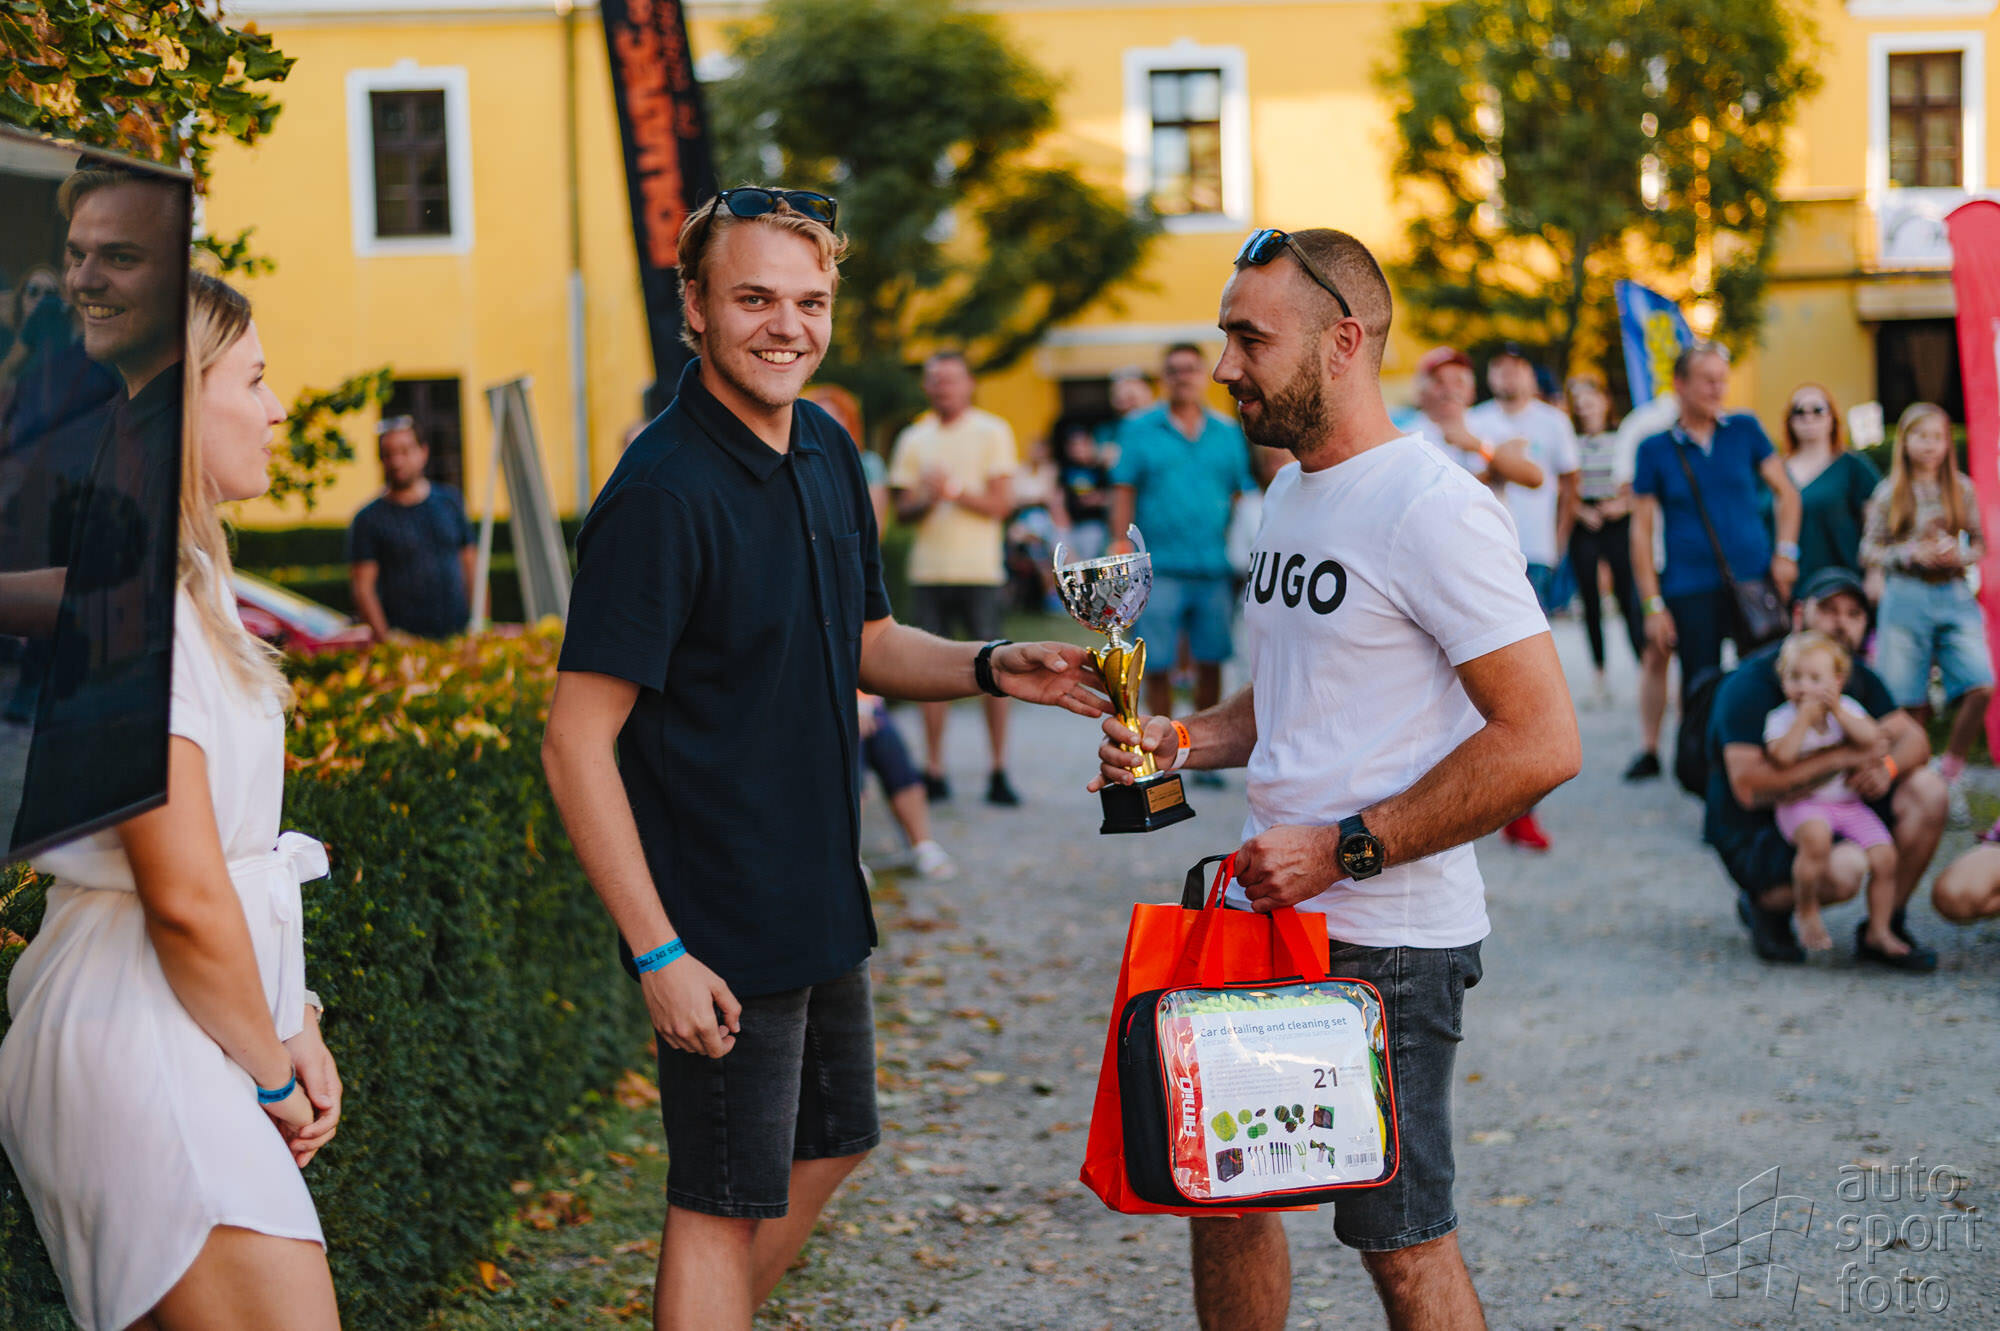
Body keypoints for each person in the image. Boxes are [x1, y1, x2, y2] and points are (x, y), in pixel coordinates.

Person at [539, 187, 1103, 1331]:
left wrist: (992, 664)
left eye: (808, 300)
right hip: (715, 908)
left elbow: (866, 641)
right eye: (753, 298)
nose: (785, 325)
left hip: (815, 882)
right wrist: (657, 949)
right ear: (693, 306)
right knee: (718, 1202)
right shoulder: (658, 493)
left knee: (834, 1142)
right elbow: (573, 739)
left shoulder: (827, 447)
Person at [1095, 226, 1580, 1331]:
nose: (1226, 365)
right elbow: (1293, 696)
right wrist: (1180, 740)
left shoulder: (1433, 505)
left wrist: (1340, 847)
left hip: (1387, 941)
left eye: (1249, 339)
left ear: (1343, 342)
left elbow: (1541, 739)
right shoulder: (1292, 493)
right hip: (1266, 918)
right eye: (1225, 337)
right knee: (1219, 1194)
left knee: (1400, 1244)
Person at [0, 273, 343, 1331]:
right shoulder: (137, 596)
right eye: (254, 378)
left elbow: (224, 870)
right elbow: (183, 891)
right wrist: (273, 1074)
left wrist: (292, 1016)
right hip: (142, 1033)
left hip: (177, 1024)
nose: (277, 407)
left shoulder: (169, 579)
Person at [1705, 567, 1945, 970]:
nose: (1841, 623)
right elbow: (1749, 788)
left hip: (1841, 806)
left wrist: (1885, 768)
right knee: (1844, 870)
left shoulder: (1856, 679)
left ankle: (1884, 927)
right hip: (1760, 829)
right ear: (1800, 615)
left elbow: (1915, 740)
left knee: (1929, 791)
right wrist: (1842, 757)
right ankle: (1767, 904)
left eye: (1854, 614)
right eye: (1829, 610)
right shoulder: (1750, 684)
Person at [1631, 342, 1802, 712]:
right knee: (1699, 688)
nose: (1718, 389)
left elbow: (1788, 493)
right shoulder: (1654, 448)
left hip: (1755, 578)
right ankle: (1700, 751)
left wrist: (1787, 552)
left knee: (1767, 680)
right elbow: (1641, 533)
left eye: (1722, 380)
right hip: (1689, 586)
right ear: (1679, 383)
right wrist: (1652, 605)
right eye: (1707, 380)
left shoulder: (1745, 428)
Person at [1108, 342, 1257, 768]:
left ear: (1203, 375)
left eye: (1191, 369)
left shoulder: (1227, 432)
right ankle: (1158, 743)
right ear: (1164, 378)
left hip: (1213, 565)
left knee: (1211, 659)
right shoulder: (1139, 428)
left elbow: (1239, 495)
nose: (1182, 377)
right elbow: (1123, 489)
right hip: (1158, 567)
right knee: (1157, 661)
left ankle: (1198, 747)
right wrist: (1119, 543)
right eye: (1174, 370)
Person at [887, 350, 1023, 806]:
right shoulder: (913, 437)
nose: (943, 387)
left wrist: (954, 491)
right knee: (929, 675)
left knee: (997, 672)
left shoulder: (992, 431)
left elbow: (1002, 505)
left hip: (980, 573)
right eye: (935, 379)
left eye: (951, 379)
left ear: (969, 384)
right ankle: (934, 768)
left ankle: (999, 769)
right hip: (928, 572)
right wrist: (927, 498)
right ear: (926, 386)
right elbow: (902, 511)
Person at [1860, 401, 1993, 786]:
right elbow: (1869, 549)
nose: (1930, 444)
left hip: (1952, 592)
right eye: (1921, 436)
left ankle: (1950, 769)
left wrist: (1958, 555)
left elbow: (1980, 543)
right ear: (1905, 441)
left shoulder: (1960, 488)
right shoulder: (1890, 492)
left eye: (1937, 437)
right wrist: (1908, 553)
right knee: (1908, 699)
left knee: (1981, 683)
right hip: (1906, 594)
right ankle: (1914, 781)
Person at [1761, 629, 1896, 953]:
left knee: (1885, 856)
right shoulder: (1781, 718)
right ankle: (1806, 908)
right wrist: (1803, 720)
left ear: (1837, 681)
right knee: (1816, 838)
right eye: (1795, 677)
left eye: (1815, 679)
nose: (1804, 687)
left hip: (1847, 804)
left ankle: (1879, 929)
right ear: (1782, 680)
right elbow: (1782, 757)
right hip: (1802, 805)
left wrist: (1837, 711)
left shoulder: (1847, 709)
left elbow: (1872, 737)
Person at [1465, 342, 1580, 613]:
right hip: (1486, 548)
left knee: (1536, 625)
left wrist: (1559, 539)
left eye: (1516, 367)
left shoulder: (1554, 421)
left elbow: (1571, 483)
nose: (1508, 374)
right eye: (1499, 368)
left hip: (1537, 547)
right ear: (1489, 376)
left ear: (1530, 374)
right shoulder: (1473, 421)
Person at [346, 417, 477, 641]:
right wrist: (387, 640)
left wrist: (480, 624)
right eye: (388, 454)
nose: (396, 461)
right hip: (404, 642)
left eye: (404, 451)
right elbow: (363, 588)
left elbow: (472, 567)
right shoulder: (368, 519)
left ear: (423, 452)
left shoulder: (450, 502)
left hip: (459, 638)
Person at [1564, 373, 1645, 708]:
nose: (1585, 406)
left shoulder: (1622, 438)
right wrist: (1582, 512)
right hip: (1585, 521)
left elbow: (1637, 486)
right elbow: (1563, 487)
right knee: (1590, 600)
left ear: (1604, 401)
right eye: (1579, 401)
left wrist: (1620, 507)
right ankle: (1600, 675)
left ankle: (1646, 672)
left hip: (1617, 519)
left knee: (1628, 596)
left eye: (1591, 399)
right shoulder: (1570, 441)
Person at [1781, 383, 1879, 588]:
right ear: (1789, 420)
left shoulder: (1852, 466)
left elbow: (1877, 523)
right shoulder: (1775, 470)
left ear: (1832, 417)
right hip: (1784, 586)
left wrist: (1875, 573)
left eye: (1817, 410)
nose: (1808, 418)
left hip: (1840, 585)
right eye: (1799, 411)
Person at [1407, 346, 1543, 491]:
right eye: (1439, 382)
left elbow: (1534, 477)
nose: (1449, 390)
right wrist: (1490, 471)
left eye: (1459, 382)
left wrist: (1479, 447)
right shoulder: (1409, 437)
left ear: (1471, 391)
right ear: (1421, 392)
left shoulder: (1490, 423)